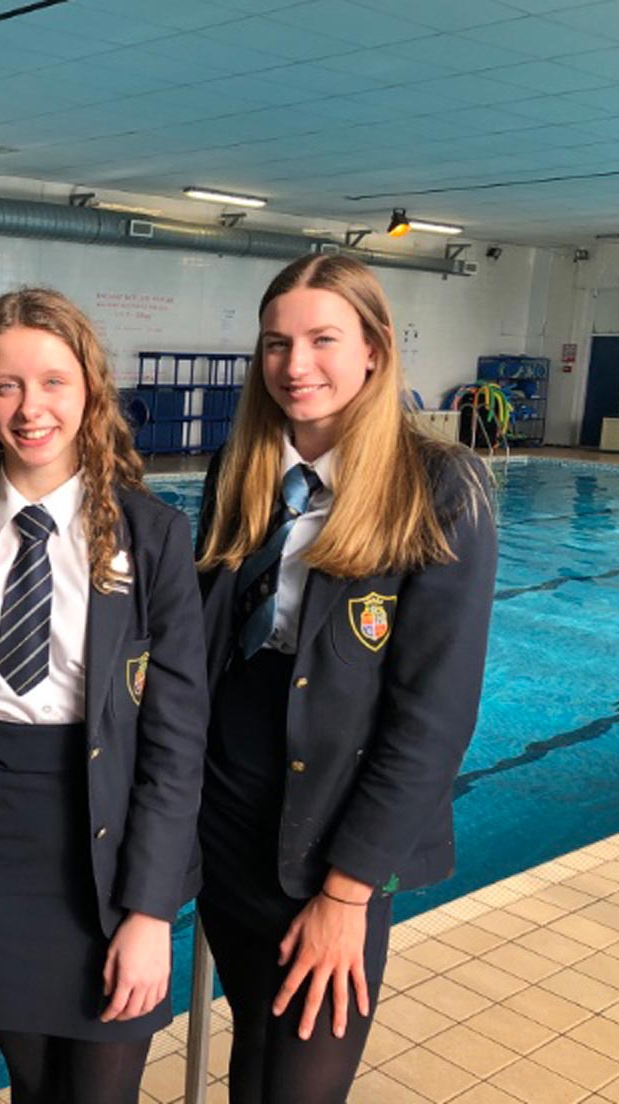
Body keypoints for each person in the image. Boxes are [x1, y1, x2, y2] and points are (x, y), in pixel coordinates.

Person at [195, 254, 498, 1103]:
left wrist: (347, 893)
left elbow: (432, 719)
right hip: (229, 829)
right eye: (276, 344)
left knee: (302, 1085)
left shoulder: (440, 487)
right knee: (251, 1051)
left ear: (374, 348)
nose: (297, 367)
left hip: (331, 845)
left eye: (323, 340)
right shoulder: (243, 471)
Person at [0, 288, 207, 1104]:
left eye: (53, 382)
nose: (31, 408)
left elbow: (177, 740)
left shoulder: (153, 535)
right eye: (6, 386)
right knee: (34, 1087)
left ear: (90, 392)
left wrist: (148, 913)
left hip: (109, 844)